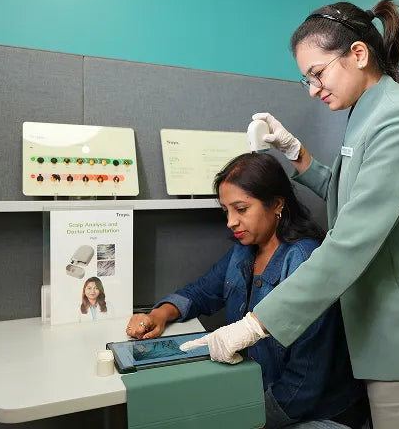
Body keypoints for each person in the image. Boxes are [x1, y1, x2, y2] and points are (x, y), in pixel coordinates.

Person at [180, 0, 399, 429]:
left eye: (317, 73)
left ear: (358, 54)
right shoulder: (367, 112)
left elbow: (351, 241)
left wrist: (256, 324)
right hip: (379, 331)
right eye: (307, 79)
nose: (313, 89)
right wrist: (295, 152)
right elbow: (349, 194)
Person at [126, 153, 369, 429]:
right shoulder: (244, 251)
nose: (231, 222)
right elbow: (202, 291)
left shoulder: (305, 260)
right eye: (226, 211)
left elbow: (305, 381)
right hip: (259, 395)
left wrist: (246, 417)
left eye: (241, 209)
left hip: (312, 412)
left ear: (277, 204)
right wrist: (159, 314)